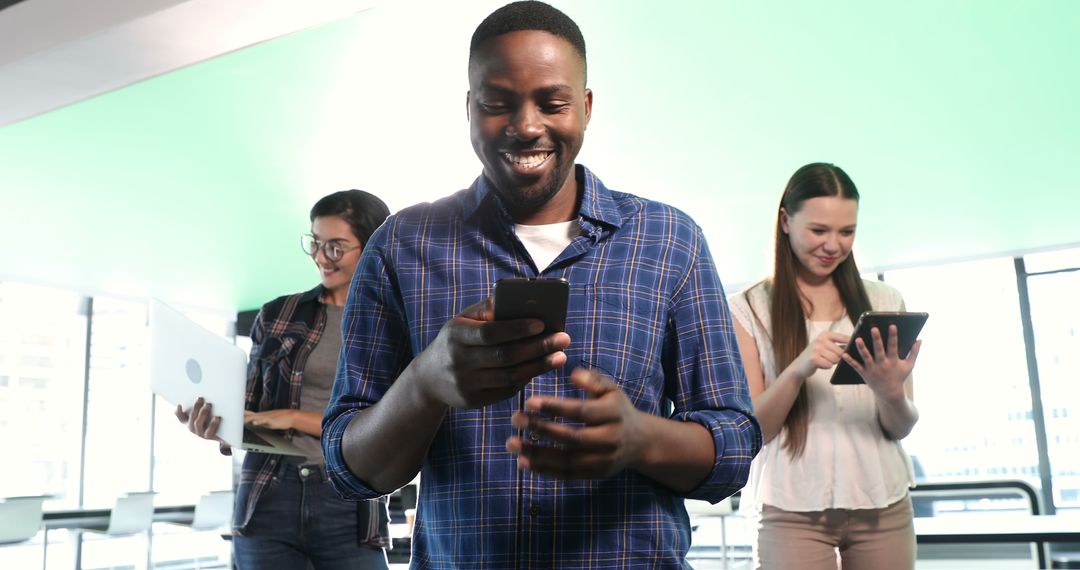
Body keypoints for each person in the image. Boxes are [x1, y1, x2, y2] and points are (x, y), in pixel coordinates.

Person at [321, 2, 761, 568]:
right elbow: (349, 468)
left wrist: (642, 439)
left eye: (551, 103)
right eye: (498, 103)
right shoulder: (401, 244)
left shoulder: (670, 240)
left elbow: (733, 445)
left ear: (585, 106)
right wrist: (424, 383)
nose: (526, 126)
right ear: (470, 109)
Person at [175, 189, 392, 570]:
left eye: (337, 247)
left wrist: (293, 418)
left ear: (373, 245)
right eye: (316, 243)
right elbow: (254, 409)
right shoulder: (279, 314)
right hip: (268, 495)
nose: (322, 258)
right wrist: (222, 423)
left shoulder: (392, 323)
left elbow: (388, 423)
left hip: (349, 502)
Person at [728, 163, 922, 570]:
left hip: (883, 502)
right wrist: (798, 368)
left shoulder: (885, 302)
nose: (833, 245)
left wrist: (889, 391)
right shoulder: (747, 308)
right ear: (785, 221)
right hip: (790, 507)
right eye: (819, 230)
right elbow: (753, 430)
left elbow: (901, 426)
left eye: (846, 232)